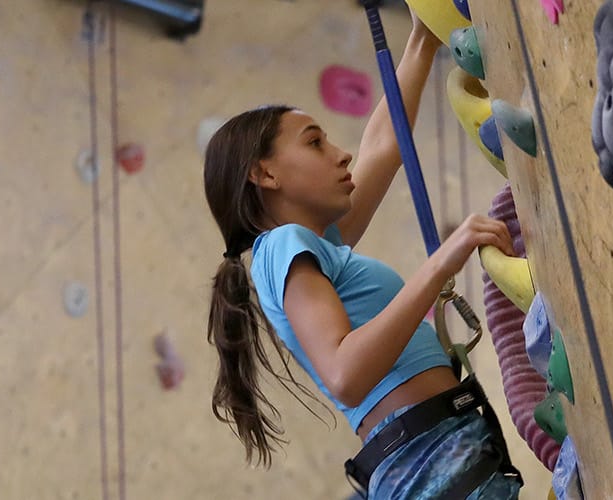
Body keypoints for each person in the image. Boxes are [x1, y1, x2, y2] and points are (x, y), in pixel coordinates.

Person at [200, 18, 523, 499]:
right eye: (315, 142)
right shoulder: (283, 244)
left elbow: (383, 144)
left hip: (435, 455)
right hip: (427, 463)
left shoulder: (314, 244)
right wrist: (439, 265)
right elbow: (345, 375)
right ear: (265, 174)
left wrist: (422, 38)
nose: (342, 154)